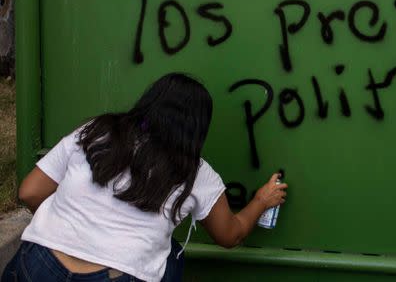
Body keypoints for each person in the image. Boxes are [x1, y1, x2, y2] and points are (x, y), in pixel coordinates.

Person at [1, 73, 287, 282]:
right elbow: (230, 234)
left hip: (36, 266)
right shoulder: (196, 173)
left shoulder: (98, 131)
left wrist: (71, 224)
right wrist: (262, 200)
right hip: (120, 274)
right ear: (197, 129)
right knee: (171, 254)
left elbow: (30, 191)